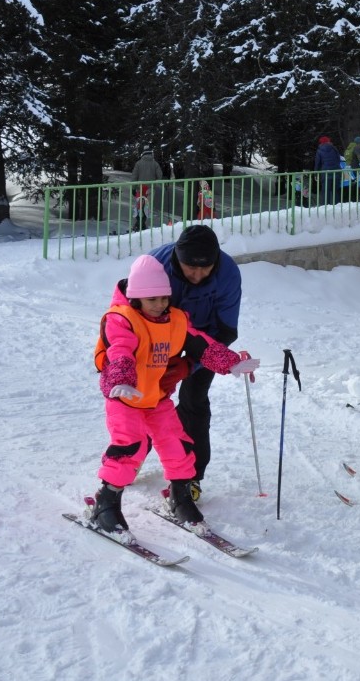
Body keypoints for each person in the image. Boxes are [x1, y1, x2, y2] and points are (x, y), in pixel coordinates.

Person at [86, 255, 259, 536]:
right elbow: (120, 351)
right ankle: (106, 503)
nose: (160, 305)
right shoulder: (122, 319)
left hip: (156, 397)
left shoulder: (174, 320)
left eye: (164, 298)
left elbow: (202, 345)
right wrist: (121, 380)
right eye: (152, 299)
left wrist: (232, 362)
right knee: (129, 446)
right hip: (124, 397)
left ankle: (179, 496)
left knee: (177, 444)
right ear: (137, 298)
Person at [150, 225, 242, 499]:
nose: (198, 275)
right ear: (178, 256)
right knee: (146, 400)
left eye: (206, 268)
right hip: (158, 338)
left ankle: (191, 476)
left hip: (204, 343)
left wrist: (191, 364)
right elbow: (132, 314)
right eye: (191, 267)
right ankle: (129, 459)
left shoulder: (227, 273)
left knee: (195, 402)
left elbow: (227, 330)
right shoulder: (156, 265)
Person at [129, 149, 162, 230]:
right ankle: (141, 225)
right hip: (150, 189)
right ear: (151, 154)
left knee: (139, 207)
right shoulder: (155, 164)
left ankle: (139, 224)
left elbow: (134, 176)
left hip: (139, 188)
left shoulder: (138, 163)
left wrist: (133, 188)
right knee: (146, 207)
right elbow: (160, 176)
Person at [313, 136, 342, 204]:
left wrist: (315, 173)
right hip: (336, 172)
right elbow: (338, 159)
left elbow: (317, 163)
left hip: (326, 173)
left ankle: (326, 207)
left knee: (326, 191)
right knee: (335, 191)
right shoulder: (334, 148)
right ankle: (336, 205)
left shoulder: (319, 151)